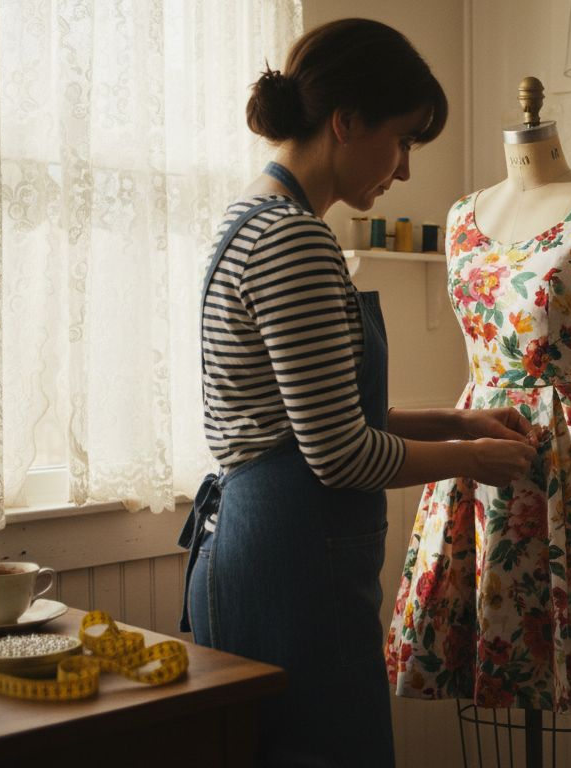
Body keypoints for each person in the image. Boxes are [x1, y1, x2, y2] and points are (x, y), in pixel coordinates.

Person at [177, 18, 537, 767]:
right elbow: (339, 455)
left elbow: (314, 419)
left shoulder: (249, 218)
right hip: (291, 562)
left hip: (262, 544)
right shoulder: (295, 240)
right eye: (403, 140)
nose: (403, 170)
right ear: (346, 122)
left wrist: (457, 417)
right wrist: (472, 458)